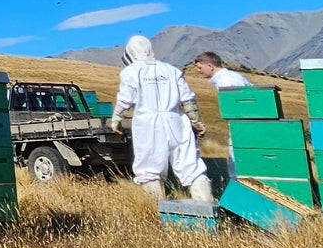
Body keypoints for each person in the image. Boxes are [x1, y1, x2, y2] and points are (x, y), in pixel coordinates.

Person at [108, 35, 212, 202]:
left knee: (149, 169)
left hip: (147, 125)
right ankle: (207, 208)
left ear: (130, 53)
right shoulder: (172, 70)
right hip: (177, 121)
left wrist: (115, 121)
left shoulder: (131, 71)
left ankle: (156, 212)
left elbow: (125, 99)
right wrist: (196, 121)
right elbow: (188, 99)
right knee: (191, 166)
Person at [194, 50, 252, 177]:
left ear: (210, 66)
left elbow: (236, 105)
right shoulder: (232, 76)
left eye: (200, 67)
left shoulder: (225, 81)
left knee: (236, 164)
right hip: (247, 125)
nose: (198, 71)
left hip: (242, 127)